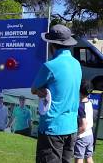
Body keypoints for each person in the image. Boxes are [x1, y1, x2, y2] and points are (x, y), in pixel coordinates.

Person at [31, 24, 82, 163]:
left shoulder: (50, 66)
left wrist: (41, 91)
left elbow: (33, 89)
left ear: (51, 44)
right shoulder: (77, 64)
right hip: (71, 127)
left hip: (53, 128)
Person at [74, 80, 94, 163]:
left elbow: (83, 125)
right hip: (90, 135)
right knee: (89, 158)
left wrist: (76, 134)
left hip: (81, 137)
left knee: (79, 159)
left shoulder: (80, 106)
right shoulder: (89, 102)